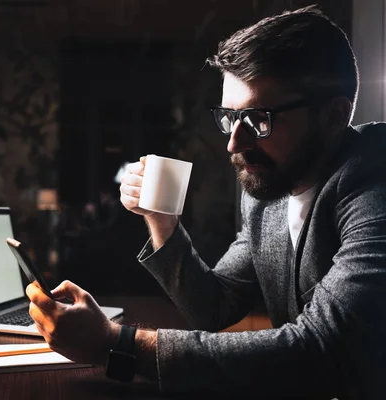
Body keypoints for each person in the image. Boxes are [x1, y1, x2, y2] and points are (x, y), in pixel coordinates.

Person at [26, 6, 386, 398]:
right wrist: (161, 220)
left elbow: (322, 349)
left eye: (258, 119)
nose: (234, 142)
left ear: (334, 116)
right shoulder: (271, 193)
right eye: (230, 117)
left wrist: (117, 343)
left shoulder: (374, 183)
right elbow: (214, 307)